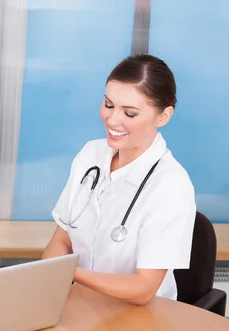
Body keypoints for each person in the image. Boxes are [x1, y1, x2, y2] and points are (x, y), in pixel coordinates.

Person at [43, 54, 196, 305]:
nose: (112, 119)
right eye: (109, 104)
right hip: (78, 306)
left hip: (140, 320)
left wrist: (70, 274)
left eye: (130, 113)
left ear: (163, 117)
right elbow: (60, 240)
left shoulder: (171, 185)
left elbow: (143, 289)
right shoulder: (90, 155)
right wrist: (52, 280)